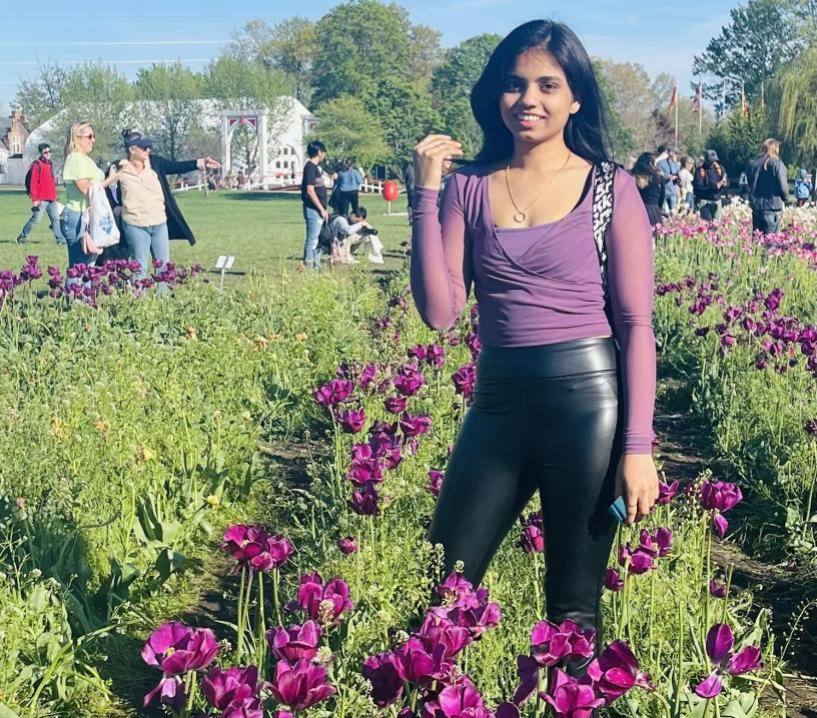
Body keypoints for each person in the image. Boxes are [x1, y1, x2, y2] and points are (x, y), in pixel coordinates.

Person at [411, 19, 657, 661]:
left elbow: (635, 324)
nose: (529, 99)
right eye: (514, 85)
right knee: (439, 588)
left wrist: (638, 449)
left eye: (548, 84)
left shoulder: (610, 187)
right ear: (496, 95)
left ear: (575, 96)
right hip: (497, 404)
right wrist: (425, 191)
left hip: (588, 409)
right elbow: (440, 313)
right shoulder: (468, 185)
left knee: (573, 612)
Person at [112, 129, 220, 283]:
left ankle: (162, 303)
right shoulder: (119, 168)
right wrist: (116, 207)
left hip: (159, 223)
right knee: (139, 269)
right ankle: (137, 302)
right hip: (135, 225)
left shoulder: (155, 162)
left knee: (163, 269)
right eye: (143, 147)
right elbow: (105, 188)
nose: (147, 150)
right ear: (132, 149)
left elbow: (176, 166)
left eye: (148, 147)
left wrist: (202, 163)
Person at [60, 122, 121, 269]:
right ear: (77, 138)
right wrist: (111, 180)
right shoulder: (75, 159)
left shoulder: (86, 159)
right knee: (79, 266)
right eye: (89, 136)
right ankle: (74, 291)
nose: (93, 140)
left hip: (88, 214)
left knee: (89, 265)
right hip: (77, 215)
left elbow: (95, 187)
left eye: (94, 136)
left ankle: (84, 291)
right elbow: (87, 190)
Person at [16, 143, 65, 245]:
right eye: (45, 152)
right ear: (41, 153)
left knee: (55, 219)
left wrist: (55, 197)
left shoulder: (49, 164)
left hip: (51, 199)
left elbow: (51, 182)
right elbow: (33, 183)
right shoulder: (36, 165)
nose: (48, 154)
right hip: (41, 199)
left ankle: (60, 240)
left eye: (49, 152)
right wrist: (34, 199)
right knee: (36, 220)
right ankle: (22, 237)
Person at [746, 138, 789, 234]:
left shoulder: (753, 164)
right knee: (771, 244)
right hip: (772, 208)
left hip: (757, 208)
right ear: (775, 149)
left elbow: (748, 185)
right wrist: (786, 199)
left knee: (758, 243)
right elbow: (783, 187)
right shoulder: (777, 163)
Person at [300, 141, 328, 270]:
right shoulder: (310, 167)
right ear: (319, 152)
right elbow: (310, 190)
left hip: (319, 209)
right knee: (312, 239)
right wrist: (321, 209)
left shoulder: (316, 167)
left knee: (317, 239)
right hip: (313, 210)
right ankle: (309, 266)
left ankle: (316, 266)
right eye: (323, 152)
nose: (324, 155)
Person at [631, 152, 665, 228]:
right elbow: (662, 197)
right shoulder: (658, 178)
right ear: (651, 164)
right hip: (654, 211)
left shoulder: (634, 177)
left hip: (638, 210)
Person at [693, 149, 728, 221]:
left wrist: (725, 184)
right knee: (705, 224)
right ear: (706, 159)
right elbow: (698, 187)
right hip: (704, 200)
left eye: (714, 160)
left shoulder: (720, 168)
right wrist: (715, 187)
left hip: (717, 200)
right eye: (711, 161)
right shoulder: (699, 170)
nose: (713, 162)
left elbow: (725, 180)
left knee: (716, 224)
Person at [655, 146, 680, 214]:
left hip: (673, 192)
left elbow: (678, 177)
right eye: (676, 153)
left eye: (678, 154)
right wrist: (667, 176)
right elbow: (657, 175)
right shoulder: (661, 163)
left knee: (673, 214)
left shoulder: (677, 164)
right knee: (664, 213)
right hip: (664, 192)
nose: (677, 155)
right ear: (670, 153)